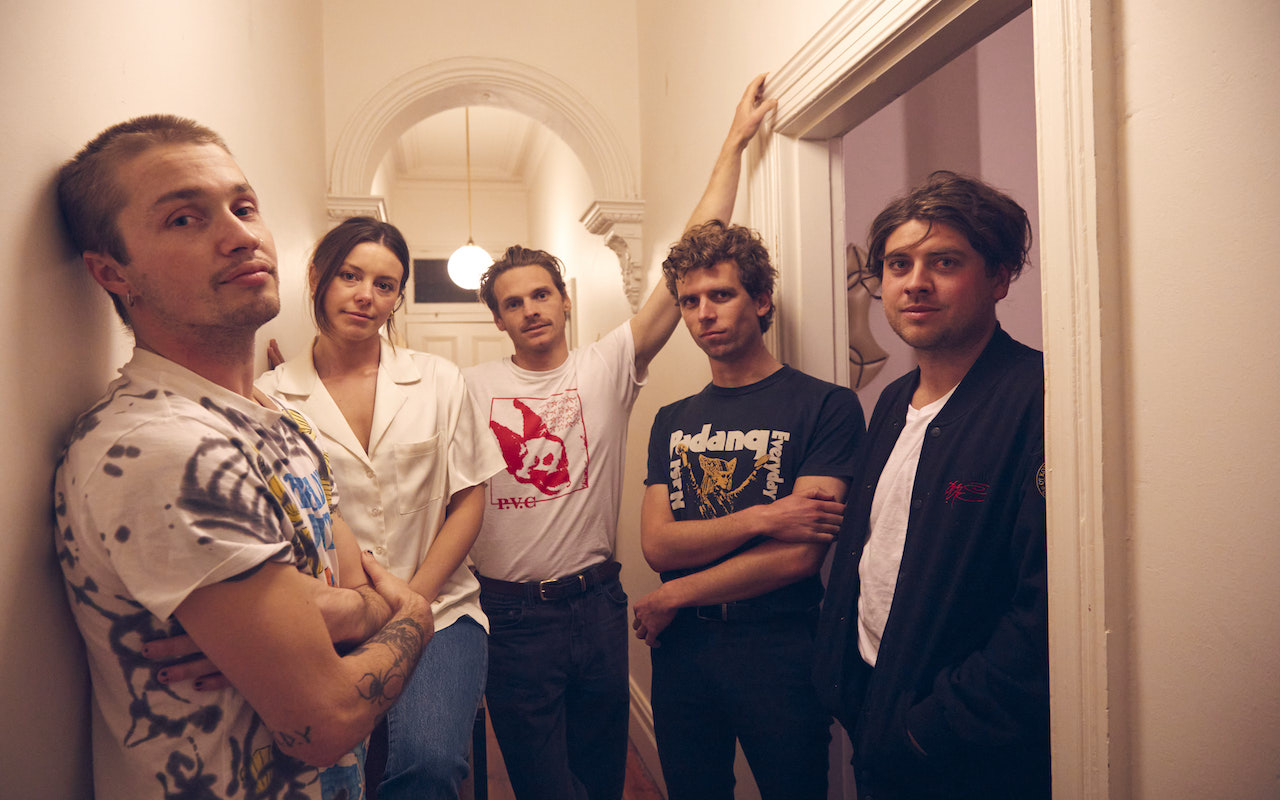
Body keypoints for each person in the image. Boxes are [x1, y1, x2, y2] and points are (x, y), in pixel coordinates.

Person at [52, 114, 432, 800]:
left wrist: (343, 613)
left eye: (244, 206)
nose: (240, 236)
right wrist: (411, 615)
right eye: (184, 219)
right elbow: (326, 719)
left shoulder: (276, 417)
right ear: (111, 272)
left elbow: (353, 587)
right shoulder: (162, 450)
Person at [461, 74, 776, 800]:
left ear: (565, 301)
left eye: (542, 294)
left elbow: (687, 254)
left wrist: (734, 142)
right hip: (511, 616)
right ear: (499, 320)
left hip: (598, 605)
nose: (531, 309)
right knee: (542, 784)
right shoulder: (468, 389)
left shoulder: (606, 366)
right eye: (514, 303)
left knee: (601, 778)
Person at [812, 171, 1049, 799]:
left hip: (962, 748)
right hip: (872, 698)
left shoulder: (1039, 398)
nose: (915, 282)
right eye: (898, 264)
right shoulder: (892, 401)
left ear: (999, 278)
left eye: (944, 262)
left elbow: (1046, 608)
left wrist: (929, 728)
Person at [257, 217, 505, 799]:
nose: (366, 295)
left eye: (385, 284)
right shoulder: (272, 396)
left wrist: (412, 602)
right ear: (317, 277)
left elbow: (469, 496)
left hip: (440, 607)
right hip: (329, 619)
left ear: (397, 298)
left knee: (429, 763)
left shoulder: (438, 380)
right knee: (322, 768)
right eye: (350, 276)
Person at [632, 220, 864, 799]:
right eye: (689, 301)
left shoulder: (827, 406)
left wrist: (674, 594)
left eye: (720, 294)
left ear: (760, 301)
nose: (703, 314)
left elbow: (798, 557)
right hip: (684, 651)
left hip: (779, 644)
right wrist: (767, 517)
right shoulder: (671, 419)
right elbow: (658, 545)